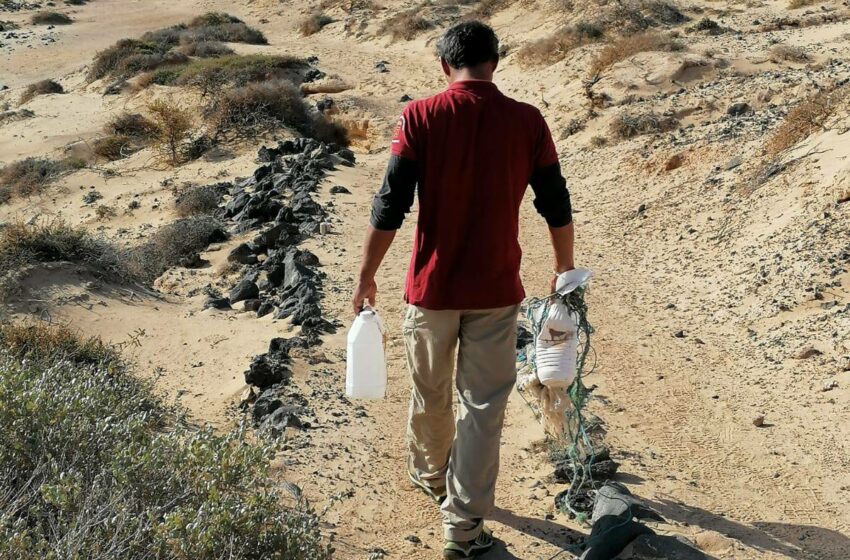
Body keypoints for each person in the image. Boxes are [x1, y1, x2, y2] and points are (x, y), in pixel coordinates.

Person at [351, 20, 575, 560]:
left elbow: (390, 203)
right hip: (497, 289)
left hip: (431, 290)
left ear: (443, 65)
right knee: (484, 405)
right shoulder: (528, 121)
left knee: (431, 392)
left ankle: (432, 477)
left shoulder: (419, 116)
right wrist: (564, 267)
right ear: (496, 61)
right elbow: (555, 201)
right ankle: (464, 523)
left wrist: (365, 275)